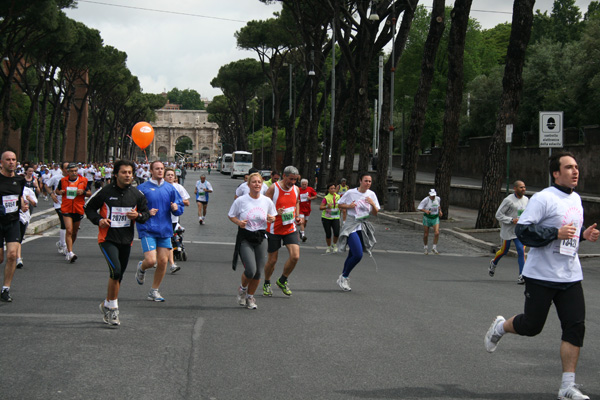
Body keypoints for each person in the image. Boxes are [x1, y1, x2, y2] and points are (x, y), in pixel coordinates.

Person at [484, 152, 599, 400]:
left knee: (575, 327)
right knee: (532, 326)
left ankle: (567, 386)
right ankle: (500, 326)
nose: (575, 171)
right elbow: (524, 231)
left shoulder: (577, 199)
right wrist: (556, 234)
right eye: (569, 167)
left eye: (577, 167)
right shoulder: (543, 198)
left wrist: (582, 235)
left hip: (570, 275)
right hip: (541, 275)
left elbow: (568, 232)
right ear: (556, 173)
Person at [85, 160, 150, 326]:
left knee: (118, 275)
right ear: (115, 174)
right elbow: (89, 208)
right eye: (124, 172)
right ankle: (113, 310)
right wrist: (99, 220)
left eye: (130, 172)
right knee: (115, 270)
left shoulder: (137, 194)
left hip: (126, 240)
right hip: (107, 238)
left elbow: (145, 214)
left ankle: (107, 303)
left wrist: (138, 216)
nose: (127, 175)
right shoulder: (105, 192)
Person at [134, 161, 184, 302]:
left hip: (165, 229)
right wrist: (146, 212)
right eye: (157, 169)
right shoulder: (142, 188)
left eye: (162, 168)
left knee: (162, 262)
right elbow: (134, 209)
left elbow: (180, 205)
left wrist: (176, 207)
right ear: (151, 170)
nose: (160, 171)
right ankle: (142, 267)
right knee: (151, 261)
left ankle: (154, 291)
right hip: (148, 228)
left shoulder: (170, 188)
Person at [229, 172, 276, 309]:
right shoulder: (241, 200)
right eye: (254, 182)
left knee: (258, 272)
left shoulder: (266, 201)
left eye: (259, 182)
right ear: (248, 184)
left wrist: (272, 219)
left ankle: (250, 297)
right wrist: (239, 222)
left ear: (262, 185)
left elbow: (273, 215)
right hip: (245, 237)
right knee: (250, 269)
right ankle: (242, 289)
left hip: (261, 237)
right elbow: (231, 215)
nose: (257, 184)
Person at [262, 166, 302, 297]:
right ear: (284, 176)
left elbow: (296, 202)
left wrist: (297, 216)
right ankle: (267, 282)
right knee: (272, 260)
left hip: (290, 227)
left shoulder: (296, 189)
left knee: (295, 256)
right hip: (274, 228)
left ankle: (282, 280)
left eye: (295, 180)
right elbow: (263, 206)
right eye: (290, 179)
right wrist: (274, 212)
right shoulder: (274, 188)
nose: (292, 182)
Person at [336, 173, 380, 291]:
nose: (368, 183)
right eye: (366, 181)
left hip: (363, 225)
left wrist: (372, 204)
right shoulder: (351, 192)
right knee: (357, 254)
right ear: (360, 181)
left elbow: (375, 213)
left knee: (352, 254)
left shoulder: (372, 194)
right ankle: (344, 276)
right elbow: (340, 204)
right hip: (351, 224)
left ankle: (343, 277)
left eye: (370, 181)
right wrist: (349, 206)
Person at [0, 151, 28, 302]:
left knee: (12, 255)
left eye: (14, 159)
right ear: (1, 162)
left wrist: (23, 205)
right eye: (8, 160)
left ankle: (6, 289)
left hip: (13, 222)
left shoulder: (20, 180)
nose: (11, 162)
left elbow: (19, 196)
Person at [489, 180, 529, 284]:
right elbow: (498, 215)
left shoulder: (526, 200)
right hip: (508, 230)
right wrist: (511, 220)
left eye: (524, 187)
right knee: (504, 250)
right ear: (515, 189)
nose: (523, 189)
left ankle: (522, 275)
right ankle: (494, 263)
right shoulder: (508, 200)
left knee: (521, 250)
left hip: (519, 231)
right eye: (521, 187)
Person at [55, 163, 90, 262]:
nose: (74, 173)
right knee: (69, 230)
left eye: (75, 171)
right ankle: (70, 253)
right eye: (72, 171)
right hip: (66, 208)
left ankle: (68, 248)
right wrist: (60, 192)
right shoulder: (63, 181)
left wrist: (82, 192)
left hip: (78, 209)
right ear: (68, 172)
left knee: (74, 232)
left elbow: (89, 193)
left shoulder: (83, 180)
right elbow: (57, 191)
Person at [165, 167, 190, 273]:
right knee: (164, 238)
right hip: (160, 217)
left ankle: (170, 262)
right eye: (168, 175)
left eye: (172, 175)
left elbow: (187, 202)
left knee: (168, 238)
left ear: (175, 177)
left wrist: (176, 204)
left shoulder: (178, 187)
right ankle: (162, 260)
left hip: (173, 217)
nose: (170, 176)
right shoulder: (160, 187)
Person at [46, 162, 69, 255]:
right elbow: (47, 185)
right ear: (62, 169)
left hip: (69, 204)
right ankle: (63, 245)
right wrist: (52, 195)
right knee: (63, 222)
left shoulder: (74, 179)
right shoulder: (56, 177)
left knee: (69, 226)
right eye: (67, 168)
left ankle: (60, 242)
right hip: (58, 203)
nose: (68, 169)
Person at [16, 185, 37, 269]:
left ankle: (17, 257)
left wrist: (29, 200)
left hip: (24, 217)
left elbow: (34, 203)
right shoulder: (10, 189)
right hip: (13, 217)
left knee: (19, 238)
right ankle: (18, 258)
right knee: (16, 238)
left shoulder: (27, 190)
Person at [417, 189, 443, 255]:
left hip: (435, 217)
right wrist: (426, 211)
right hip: (427, 218)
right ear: (429, 195)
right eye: (432, 196)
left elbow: (438, 206)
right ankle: (425, 247)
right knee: (426, 234)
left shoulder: (438, 199)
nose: (433, 197)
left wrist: (440, 211)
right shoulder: (426, 200)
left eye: (434, 195)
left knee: (437, 233)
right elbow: (419, 208)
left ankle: (434, 248)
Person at [320, 182, 341, 254]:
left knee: (337, 232)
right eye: (331, 188)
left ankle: (334, 244)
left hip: (336, 217)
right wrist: (326, 206)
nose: (333, 190)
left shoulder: (338, 196)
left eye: (334, 188)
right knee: (328, 233)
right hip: (326, 218)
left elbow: (342, 205)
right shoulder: (326, 198)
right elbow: (321, 207)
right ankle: (328, 247)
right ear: (328, 190)